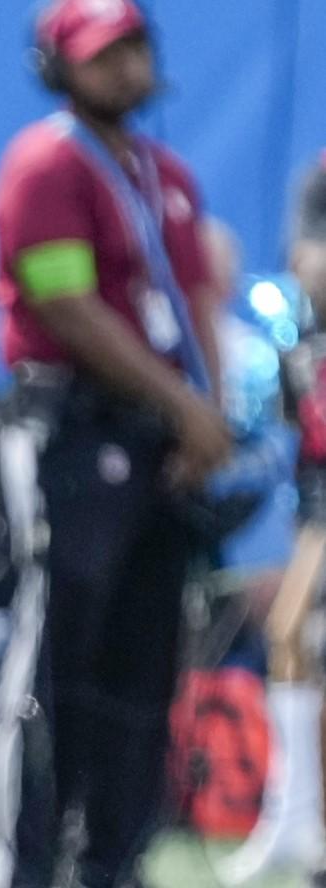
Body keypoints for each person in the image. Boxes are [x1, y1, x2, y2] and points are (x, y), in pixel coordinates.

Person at [0, 1, 231, 885]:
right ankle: (29, 862)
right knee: (59, 657)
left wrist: (214, 412)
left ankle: (115, 861)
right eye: (100, 55)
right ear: (57, 66)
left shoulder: (167, 173)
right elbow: (66, 305)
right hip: (70, 433)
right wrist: (186, 406)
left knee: (143, 669)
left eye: (131, 51)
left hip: (160, 440)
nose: (121, 70)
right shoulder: (44, 163)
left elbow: (199, 300)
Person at [225, 156, 326, 886]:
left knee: (295, 630)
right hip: (316, 491)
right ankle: (295, 816)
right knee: (293, 639)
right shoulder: (301, 339)